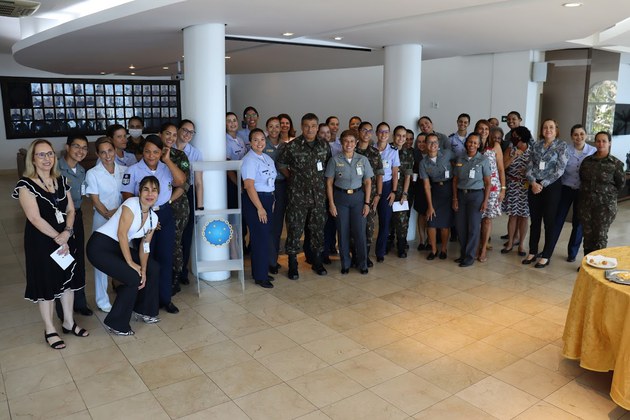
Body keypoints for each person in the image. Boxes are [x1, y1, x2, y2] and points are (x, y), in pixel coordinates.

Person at [13, 139, 89, 350]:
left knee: (68, 281)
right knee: (46, 283)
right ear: (33, 159)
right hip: (41, 241)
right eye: (41, 155)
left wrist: (67, 232)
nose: (47, 159)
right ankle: (49, 329)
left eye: (50, 154)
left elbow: (71, 210)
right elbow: (35, 219)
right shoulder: (26, 185)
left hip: (65, 237)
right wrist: (59, 237)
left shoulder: (61, 180)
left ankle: (68, 322)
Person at [86, 176, 160, 335]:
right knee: (132, 277)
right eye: (146, 189)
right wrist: (131, 263)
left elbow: (144, 246)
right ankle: (116, 323)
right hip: (100, 246)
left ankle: (143, 310)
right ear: (139, 192)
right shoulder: (131, 204)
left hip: (117, 247)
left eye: (154, 190)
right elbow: (121, 234)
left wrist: (144, 269)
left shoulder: (154, 218)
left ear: (158, 194)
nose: (150, 193)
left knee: (154, 268)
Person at [122, 135, 185, 313]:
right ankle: (147, 300)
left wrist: (168, 161)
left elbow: (180, 182)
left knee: (165, 258)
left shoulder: (166, 168)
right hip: (141, 216)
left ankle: (165, 298)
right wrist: (144, 216)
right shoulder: (133, 170)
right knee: (146, 260)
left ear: (161, 152)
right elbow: (127, 196)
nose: (151, 155)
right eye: (147, 151)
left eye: (156, 152)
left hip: (164, 214)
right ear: (142, 152)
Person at [277, 113, 331, 279]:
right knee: (294, 230)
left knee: (317, 230)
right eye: (307, 126)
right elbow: (281, 165)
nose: (310, 129)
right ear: (301, 127)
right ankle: (293, 264)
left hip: (318, 197)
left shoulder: (324, 146)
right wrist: (292, 178)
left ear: (317, 127)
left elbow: (328, 167)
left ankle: (317, 261)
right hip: (297, 197)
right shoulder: (292, 146)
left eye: (313, 126)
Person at [85, 137, 127, 313]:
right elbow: (95, 200)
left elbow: (128, 195)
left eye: (110, 151)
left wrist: (119, 215)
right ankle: (102, 300)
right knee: (101, 261)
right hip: (103, 221)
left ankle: (126, 292)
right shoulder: (93, 173)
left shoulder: (125, 170)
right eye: (103, 152)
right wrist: (110, 215)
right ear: (98, 154)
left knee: (125, 256)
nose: (107, 155)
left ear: (114, 150)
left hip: (124, 220)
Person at [522, 119, 569, 268]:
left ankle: (546, 255)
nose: (548, 129)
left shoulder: (562, 146)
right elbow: (529, 166)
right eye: (545, 127)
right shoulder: (535, 145)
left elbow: (560, 169)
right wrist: (533, 182)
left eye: (551, 127)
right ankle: (533, 251)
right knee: (535, 221)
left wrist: (543, 184)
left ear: (556, 130)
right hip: (534, 186)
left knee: (549, 222)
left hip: (551, 187)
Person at [325, 130, 373, 274]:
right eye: (346, 141)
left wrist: (366, 203)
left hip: (358, 199)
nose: (349, 144)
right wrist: (331, 204)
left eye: (352, 141)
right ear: (341, 143)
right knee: (343, 232)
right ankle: (345, 263)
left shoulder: (362, 160)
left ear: (356, 143)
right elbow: (329, 183)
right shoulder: (335, 160)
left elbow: (368, 182)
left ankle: (362, 264)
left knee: (359, 232)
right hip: (340, 199)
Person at [548, 124, 596, 263]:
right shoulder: (565, 149)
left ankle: (572, 253)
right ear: (571, 137)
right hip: (565, 189)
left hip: (582, 191)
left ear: (586, 135)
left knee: (578, 223)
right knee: (558, 220)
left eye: (581, 134)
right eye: (575, 135)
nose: (578, 137)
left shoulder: (592, 151)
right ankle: (548, 250)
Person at [56, 134, 93, 317]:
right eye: (76, 146)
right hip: (58, 220)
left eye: (84, 148)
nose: (81, 151)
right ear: (67, 147)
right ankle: (62, 308)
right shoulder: (55, 168)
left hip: (76, 217)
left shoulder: (81, 171)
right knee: (62, 260)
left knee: (78, 258)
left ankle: (80, 301)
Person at [578, 131, 625, 256]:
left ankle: (598, 265)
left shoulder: (616, 164)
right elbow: (582, 179)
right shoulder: (587, 161)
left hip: (605, 207)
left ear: (609, 143)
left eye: (604, 141)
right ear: (595, 143)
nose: (601, 143)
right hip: (587, 205)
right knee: (587, 235)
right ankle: (587, 263)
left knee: (600, 236)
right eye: (598, 141)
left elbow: (620, 184)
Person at [242, 129, 277, 288]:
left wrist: (272, 200)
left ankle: (261, 271)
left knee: (264, 237)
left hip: (267, 198)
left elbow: (271, 181)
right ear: (250, 142)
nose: (260, 143)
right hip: (256, 200)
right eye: (255, 140)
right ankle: (260, 276)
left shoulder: (267, 158)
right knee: (259, 238)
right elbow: (249, 186)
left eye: (262, 139)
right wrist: (260, 207)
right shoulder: (249, 160)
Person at [159, 122, 191, 295]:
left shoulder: (180, 156)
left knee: (174, 242)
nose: (170, 138)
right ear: (160, 135)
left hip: (176, 206)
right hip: (154, 207)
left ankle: (174, 277)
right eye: (167, 134)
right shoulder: (151, 153)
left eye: (173, 135)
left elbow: (183, 184)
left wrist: (167, 201)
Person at [452, 133, 491, 267]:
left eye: (475, 143)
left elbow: (488, 182)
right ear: (466, 143)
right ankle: (463, 254)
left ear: (479, 145)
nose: (472, 145)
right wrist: (455, 198)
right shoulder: (460, 158)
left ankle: (469, 257)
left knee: (474, 227)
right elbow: (455, 179)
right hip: (461, 195)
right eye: (470, 142)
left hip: (476, 196)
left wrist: (485, 201)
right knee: (460, 226)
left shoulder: (483, 160)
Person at [175, 119, 203, 285]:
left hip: (188, 193)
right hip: (169, 192)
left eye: (191, 132)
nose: (187, 134)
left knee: (186, 235)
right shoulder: (168, 149)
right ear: (178, 130)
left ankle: (182, 271)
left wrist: (200, 206)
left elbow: (199, 182)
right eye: (184, 130)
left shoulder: (195, 153)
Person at [420, 133, 454, 260]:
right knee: (432, 222)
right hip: (434, 192)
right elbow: (426, 185)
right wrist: (430, 205)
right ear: (425, 144)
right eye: (430, 142)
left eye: (435, 142)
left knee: (445, 224)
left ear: (438, 144)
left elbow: (459, 161)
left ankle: (444, 249)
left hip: (448, 190)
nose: (433, 145)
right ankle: (433, 250)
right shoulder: (423, 163)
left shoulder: (447, 154)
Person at [500, 126, 532, 257]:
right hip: (512, 185)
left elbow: (535, 167)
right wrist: (513, 157)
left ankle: (522, 244)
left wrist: (527, 172)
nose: (513, 138)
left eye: (516, 135)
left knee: (524, 216)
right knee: (513, 215)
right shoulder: (511, 148)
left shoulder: (532, 150)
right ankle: (510, 242)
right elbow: (503, 165)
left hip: (526, 186)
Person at [355, 121, 383, 267]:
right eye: (364, 130)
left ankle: (365, 255)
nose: (367, 133)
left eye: (369, 131)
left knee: (369, 226)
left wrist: (378, 194)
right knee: (354, 226)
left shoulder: (374, 152)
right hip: (354, 194)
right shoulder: (352, 150)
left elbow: (379, 175)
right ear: (358, 132)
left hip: (370, 196)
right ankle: (355, 256)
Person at [477, 121, 506, 262]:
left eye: (486, 129)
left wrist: (503, 189)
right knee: (476, 219)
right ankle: (475, 246)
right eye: (481, 128)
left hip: (493, 187)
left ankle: (483, 249)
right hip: (476, 186)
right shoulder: (473, 145)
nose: (483, 131)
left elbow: (501, 169)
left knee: (487, 219)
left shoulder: (495, 147)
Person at [263, 117, 286, 274]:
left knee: (277, 225)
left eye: (277, 126)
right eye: (271, 126)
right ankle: (267, 260)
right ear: (266, 128)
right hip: (265, 188)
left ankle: (273, 259)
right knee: (267, 225)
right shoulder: (262, 144)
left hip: (282, 186)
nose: (274, 129)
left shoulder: (286, 146)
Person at [375, 122, 400, 262]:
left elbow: (395, 172)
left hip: (386, 187)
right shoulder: (371, 148)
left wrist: (394, 191)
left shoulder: (393, 150)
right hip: (371, 187)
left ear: (389, 134)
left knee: (385, 220)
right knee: (369, 220)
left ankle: (380, 251)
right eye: (380, 131)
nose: (383, 134)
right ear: (376, 133)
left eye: (386, 132)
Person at [391, 125, 414, 258]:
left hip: (401, 192)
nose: (401, 138)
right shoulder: (387, 150)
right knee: (387, 220)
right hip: (388, 190)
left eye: (404, 136)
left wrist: (405, 193)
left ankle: (401, 246)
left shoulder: (408, 153)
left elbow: (408, 176)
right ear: (394, 136)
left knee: (401, 220)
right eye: (398, 135)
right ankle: (387, 243)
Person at [413, 133, 429, 250]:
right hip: (419, 188)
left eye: (424, 141)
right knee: (421, 214)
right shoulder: (414, 154)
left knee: (430, 214)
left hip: (432, 188)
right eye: (419, 142)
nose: (422, 144)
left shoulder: (433, 154)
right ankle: (422, 240)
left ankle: (431, 238)